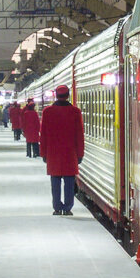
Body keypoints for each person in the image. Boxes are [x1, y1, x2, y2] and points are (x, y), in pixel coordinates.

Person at [40, 84, 84, 216]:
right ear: (68, 95)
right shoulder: (75, 112)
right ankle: (68, 207)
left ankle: (57, 207)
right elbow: (79, 135)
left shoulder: (47, 112)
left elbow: (43, 135)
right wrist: (80, 154)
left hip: (53, 154)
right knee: (69, 183)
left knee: (55, 182)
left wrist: (43, 153)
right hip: (70, 154)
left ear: (56, 95)